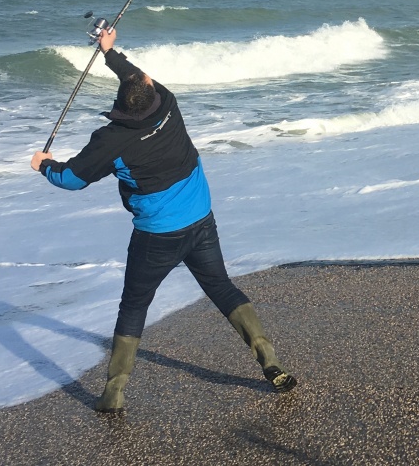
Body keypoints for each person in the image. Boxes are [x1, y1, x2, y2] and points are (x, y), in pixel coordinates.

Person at [31, 27, 296, 414]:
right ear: (150, 92)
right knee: (221, 288)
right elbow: (139, 79)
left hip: (157, 236)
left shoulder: (112, 140)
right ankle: (269, 360)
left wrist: (44, 166)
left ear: (122, 105)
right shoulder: (168, 103)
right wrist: (111, 52)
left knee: (134, 306)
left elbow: (72, 179)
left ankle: (114, 393)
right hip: (201, 220)